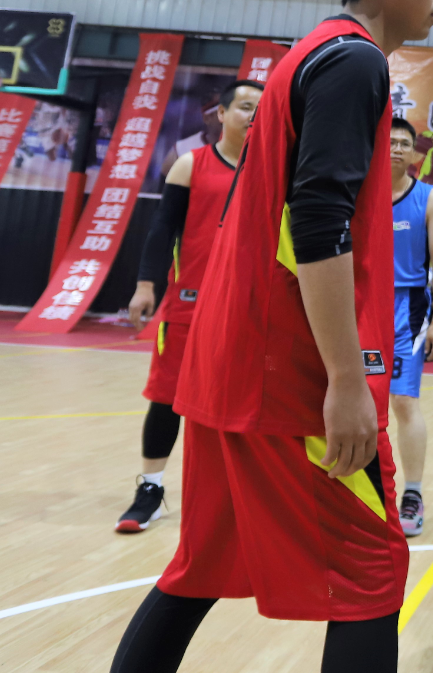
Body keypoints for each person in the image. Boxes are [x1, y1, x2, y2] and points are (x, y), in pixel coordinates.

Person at [108, 0, 433, 673]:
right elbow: (316, 220)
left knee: (199, 568)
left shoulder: (308, 55)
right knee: (371, 569)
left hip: (231, 366)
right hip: (287, 376)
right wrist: (346, 380)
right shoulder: (355, 61)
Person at [114, 79, 263, 533]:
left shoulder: (274, 171)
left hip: (250, 307)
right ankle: (151, 490)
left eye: (262, 109)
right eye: (245, 107)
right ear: (221, 114)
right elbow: (162, 232)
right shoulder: (190, 165)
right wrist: (145, 285)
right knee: (167, 399)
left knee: (242, 405)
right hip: (189, 304)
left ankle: (236, 495)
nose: (253, 116)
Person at [388, 115, 433, 538]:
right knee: (352, 398)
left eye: (404, 143)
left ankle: (412, 492)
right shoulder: (356, 192)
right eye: (389, 141)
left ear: (414, 153)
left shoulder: (430, 199)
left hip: (407, 309)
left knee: (403, 401)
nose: (396, 148)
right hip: (359, 305)